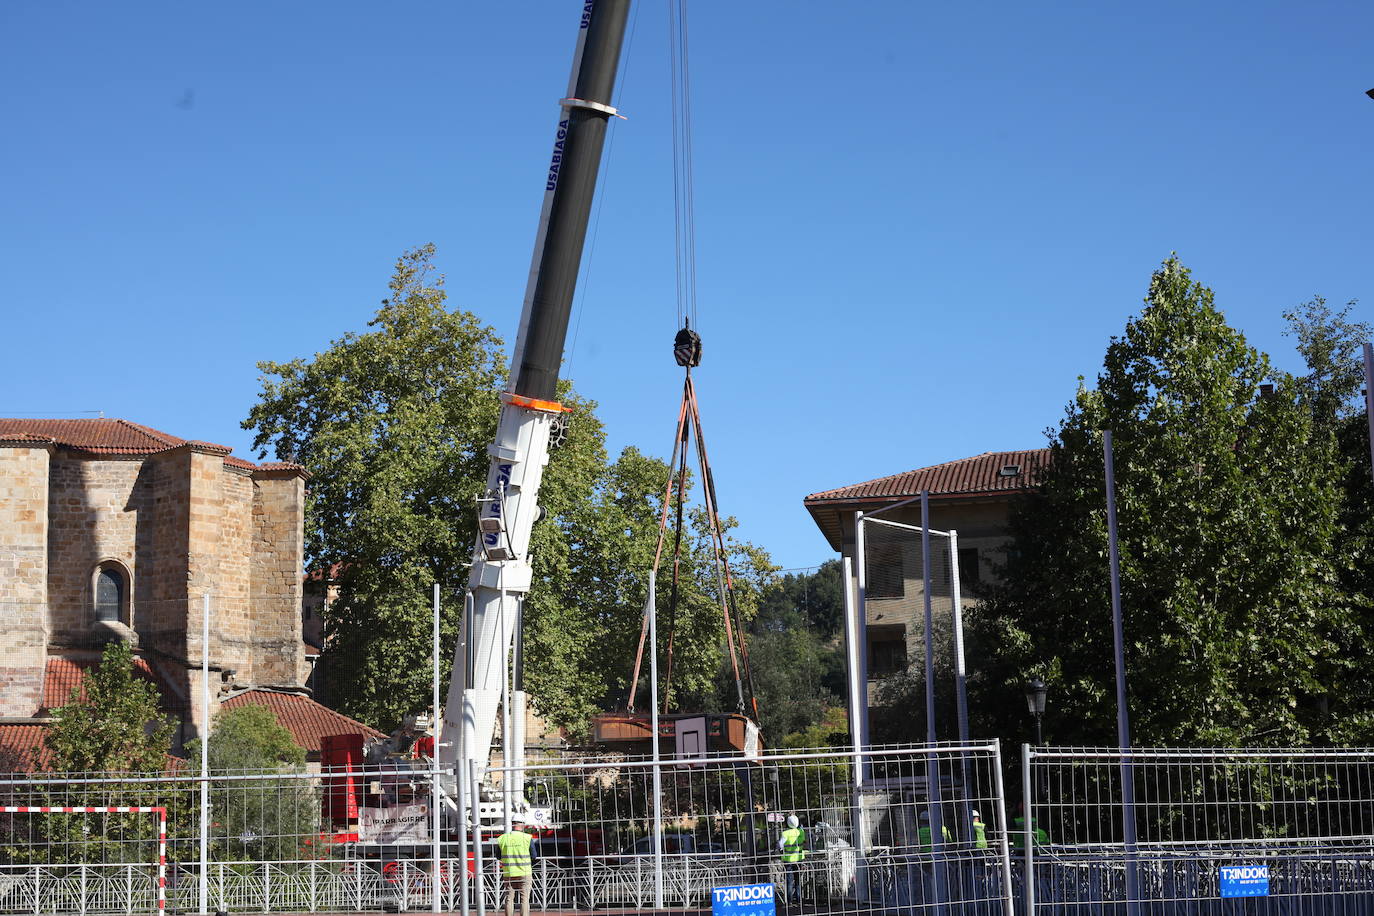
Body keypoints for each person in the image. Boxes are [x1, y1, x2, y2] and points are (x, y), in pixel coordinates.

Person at [496, 816, 535, 916]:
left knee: (509, 898)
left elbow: (498, 856)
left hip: (508, 873)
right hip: (524, 872)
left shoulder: (502, 838)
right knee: (525, 899)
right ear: (522, 824)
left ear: (512, 824)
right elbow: (534, 855)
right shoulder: (527, 838)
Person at [778, 813, 807, 905]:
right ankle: (799, 900)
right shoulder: (801, 832)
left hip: (788, 860)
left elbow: (780, 845)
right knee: (798, 880)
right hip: (799, 859)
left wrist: (780, 850)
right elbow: (804, 842)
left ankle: (789, 901)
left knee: (789, 881)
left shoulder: (785, 833)